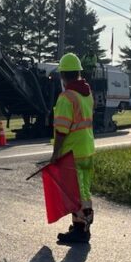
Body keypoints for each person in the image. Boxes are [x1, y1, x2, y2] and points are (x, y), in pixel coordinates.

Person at [49, 53, 95, 245]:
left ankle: (80, 231)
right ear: (78, 73)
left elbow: (61, 130)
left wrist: (55, 154)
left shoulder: (66, 97)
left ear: (63, 76)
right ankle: (82, 225)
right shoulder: (87, 93)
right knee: (84, 189)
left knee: (76, 193)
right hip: (87, 149)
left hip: (72, 153)